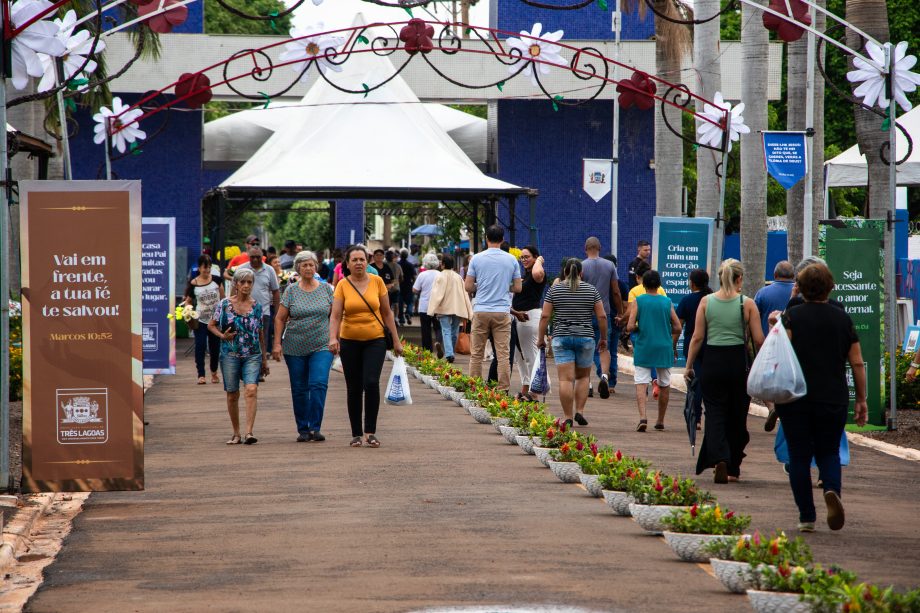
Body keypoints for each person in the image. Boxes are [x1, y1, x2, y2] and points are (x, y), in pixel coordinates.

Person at [773, 263, 867, 532]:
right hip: (833, 396)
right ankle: (832, 489)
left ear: (800, 288)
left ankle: (806, 516)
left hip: (796, 397)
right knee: (829, 451)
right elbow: (857, 363)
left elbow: (781, 354)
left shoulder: (792, 317)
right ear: (830, 286)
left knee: (799, 455)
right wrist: (861, 399)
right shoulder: (842, 318)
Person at [685, 259, 764, 483]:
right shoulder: (747, 304)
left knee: (715, 413)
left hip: (712, 362)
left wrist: (689, 365)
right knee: (738, 415)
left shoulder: (705, 302)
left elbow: (698, 337)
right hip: (738, 363)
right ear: (739, 278)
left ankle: (720, 457)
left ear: (720, 278)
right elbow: (758, 339)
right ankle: (733, 467)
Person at [329, 246, 403, 448]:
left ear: (367, 262)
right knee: (353, 387)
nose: (359, 263)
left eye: (362, 259)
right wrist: (332, 338)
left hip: (375, 340)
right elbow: (335, 315)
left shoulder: (377, 282)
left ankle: (370, 431)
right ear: (347, 264)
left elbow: (387, 313)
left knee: (371, 383)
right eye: (354, 260)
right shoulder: (343, 285)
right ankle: (356, 433)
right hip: (349, 341)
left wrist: (396, 340)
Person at [272, 251, 335, 443]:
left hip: (322, 344)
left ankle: (315, 427)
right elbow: (280, 318)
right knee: (299, 388)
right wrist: (276, 344)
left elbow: (335, 316)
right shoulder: (291, 290)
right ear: (298, 268)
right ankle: (303, 428)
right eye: (304, 265)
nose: (308, 268)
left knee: (318, 384)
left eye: (311, 264)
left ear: (316, 267)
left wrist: (335, 338)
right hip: (294, 346)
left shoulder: (326, 289)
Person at [538, 258, 606, 428]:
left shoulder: (555, 290)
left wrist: (541, 338)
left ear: (565, 272)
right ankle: (580, 411)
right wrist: (603, 338)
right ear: (581, 272)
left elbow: (545, 316)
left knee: (566, 380)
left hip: (562, 337)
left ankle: (567, 416)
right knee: (583, 377)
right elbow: (602, 316)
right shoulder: (591, 290)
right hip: (585, 338)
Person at [208, 268, 266, 445]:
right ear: (236, 284)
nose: (246, 285)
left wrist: (264, 358)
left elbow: (260, 332)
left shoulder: (256, 306)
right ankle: (236, 432)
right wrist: (222, 336)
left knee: (251, 389)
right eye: (243, 282)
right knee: (232, 393)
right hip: (230, 354)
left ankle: (249, 432)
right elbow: (211, 325)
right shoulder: (224, 304)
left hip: (252, 354)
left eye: (249, 282)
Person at [465, 225, 522, 391]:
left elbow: (468, 286)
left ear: (486, 239)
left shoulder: (476, 258)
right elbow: (518, 288)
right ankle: (503, 388)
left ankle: (474, 388)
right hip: (502, 312)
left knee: (477, 353)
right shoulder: (511, 259)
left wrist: (482, 287)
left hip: (481, 310)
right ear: (503, 240)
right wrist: (504, 286)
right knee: (503, 354)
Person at [627, 270, 682, 432]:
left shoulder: (639, 301)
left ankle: (643, 417)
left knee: (641, 382)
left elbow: (629, 326)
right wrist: (664, 329)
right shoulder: (667, 302)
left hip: (644, 346)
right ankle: (660, 420)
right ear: (659, 285)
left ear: (643, 285)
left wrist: (639, 326)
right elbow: (678, 327)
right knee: (664, 383)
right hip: (664, 347)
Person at [582, 237, 623, 404]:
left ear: (585, 248)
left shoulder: (581, 266)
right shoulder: (610, 265)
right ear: (600, 247)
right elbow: (615, 291)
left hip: (585, 313)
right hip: (604, 313)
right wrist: (620, 312)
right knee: (603, 346)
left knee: (586, 349)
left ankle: (589, 384)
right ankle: (605, 376)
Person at [675, 268, 712, 431]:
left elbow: (678, 326)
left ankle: (695, 417)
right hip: (712, 344)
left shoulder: (686, 301)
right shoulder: (712, 299)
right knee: (709, 382)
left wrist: (673, 345)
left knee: (694, 382)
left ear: (692, 283)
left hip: (693, 344)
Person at [238, 247, 281, 377]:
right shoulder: (242, 269)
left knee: (262, 341)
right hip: (244, 311)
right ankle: (245, 369)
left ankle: (260, 370)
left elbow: (276, 291)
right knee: (245, 340)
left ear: (262, 257)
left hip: (264, 311)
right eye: (253, 257)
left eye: (258, 257)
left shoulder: (269, 270)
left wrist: (277, 313)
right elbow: (235, 289)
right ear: (248, 257)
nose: (255, 259)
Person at [511, 246, 546, 401]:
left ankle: (535, 393)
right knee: (520, 356)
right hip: (518, 318)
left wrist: (539, 260)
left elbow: (538, 273)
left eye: (527, 257)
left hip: (530, 317)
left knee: (531, 355)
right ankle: (526, 388)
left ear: (535, 257)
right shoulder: (525, 275)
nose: (524, 260)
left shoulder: (538, 274)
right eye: (522, 257)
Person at [627, 260, 667, 397]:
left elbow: (630, 315)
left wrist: (623, 322)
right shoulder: (661, 291)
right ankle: (655, 380)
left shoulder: (634, 292)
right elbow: (666, 309)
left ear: (639, 278)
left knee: (642, 361)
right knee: (655, 359)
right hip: (658, 332)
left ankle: (645, 386)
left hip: (640, 331)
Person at [183, 254, 224, 385]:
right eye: (204, 268)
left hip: (215, 320)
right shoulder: (194, 284)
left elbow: (223, 299)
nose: (207, 271)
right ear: (199, 268)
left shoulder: (217, 280)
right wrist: (188, 312)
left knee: (215, 347)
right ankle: (201, 374)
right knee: (200, 346)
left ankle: (214, 372)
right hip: (200, 320)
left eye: (209, 268)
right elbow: (188, 301)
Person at [427, 254, 473, 363]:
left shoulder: (440, 276)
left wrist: (432, 309)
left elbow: (436, 294)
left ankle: (449, 353)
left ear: (442, 264)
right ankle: (450, 352)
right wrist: (469, 311)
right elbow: (464, 293)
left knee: (446, 330)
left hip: (444, 307)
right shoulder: (458, 277)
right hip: (458, 307)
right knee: (454, 331)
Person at [754, 260, 796, 335]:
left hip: (769, 341)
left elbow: (754, 318)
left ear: (775, 275)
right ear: (793, 276)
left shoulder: (762, 293)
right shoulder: (801, 292)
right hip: (793, 342)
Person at [413, 253, 444, 354]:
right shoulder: (440, 274)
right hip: (438, 306)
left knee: (425, 330)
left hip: (424, 307)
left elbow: (415, 289)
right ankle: (438, 342)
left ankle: (427, 351)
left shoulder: (422, 275)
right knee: (438, 327)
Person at [398, 249, 417, 325]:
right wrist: (415, 285)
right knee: (410, 302)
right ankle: (408, 313)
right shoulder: (410, 265)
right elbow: (414, 276)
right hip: (409, 285)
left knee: (400, 303)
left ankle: (401, 319)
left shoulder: (397, 264)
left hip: (400, 286)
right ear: (407, 256)